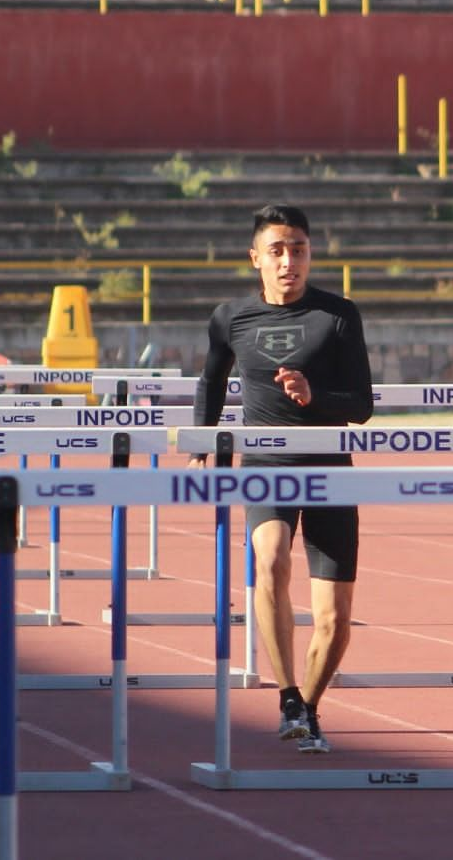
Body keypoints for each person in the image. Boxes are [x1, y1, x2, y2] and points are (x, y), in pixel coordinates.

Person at [190, 204, 374, 754]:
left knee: (335, 620)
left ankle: (307, 710)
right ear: (256, 259)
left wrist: (315, 397)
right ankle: (288, 692)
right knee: (270, 558)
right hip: (267, 467)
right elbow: (210, 382)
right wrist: (204, 440)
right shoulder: (230, 319)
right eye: (276, 251)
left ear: (310, 254)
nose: (288, 260)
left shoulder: (338, 316)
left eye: (298, 249)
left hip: (330, 470)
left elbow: (362, 406)